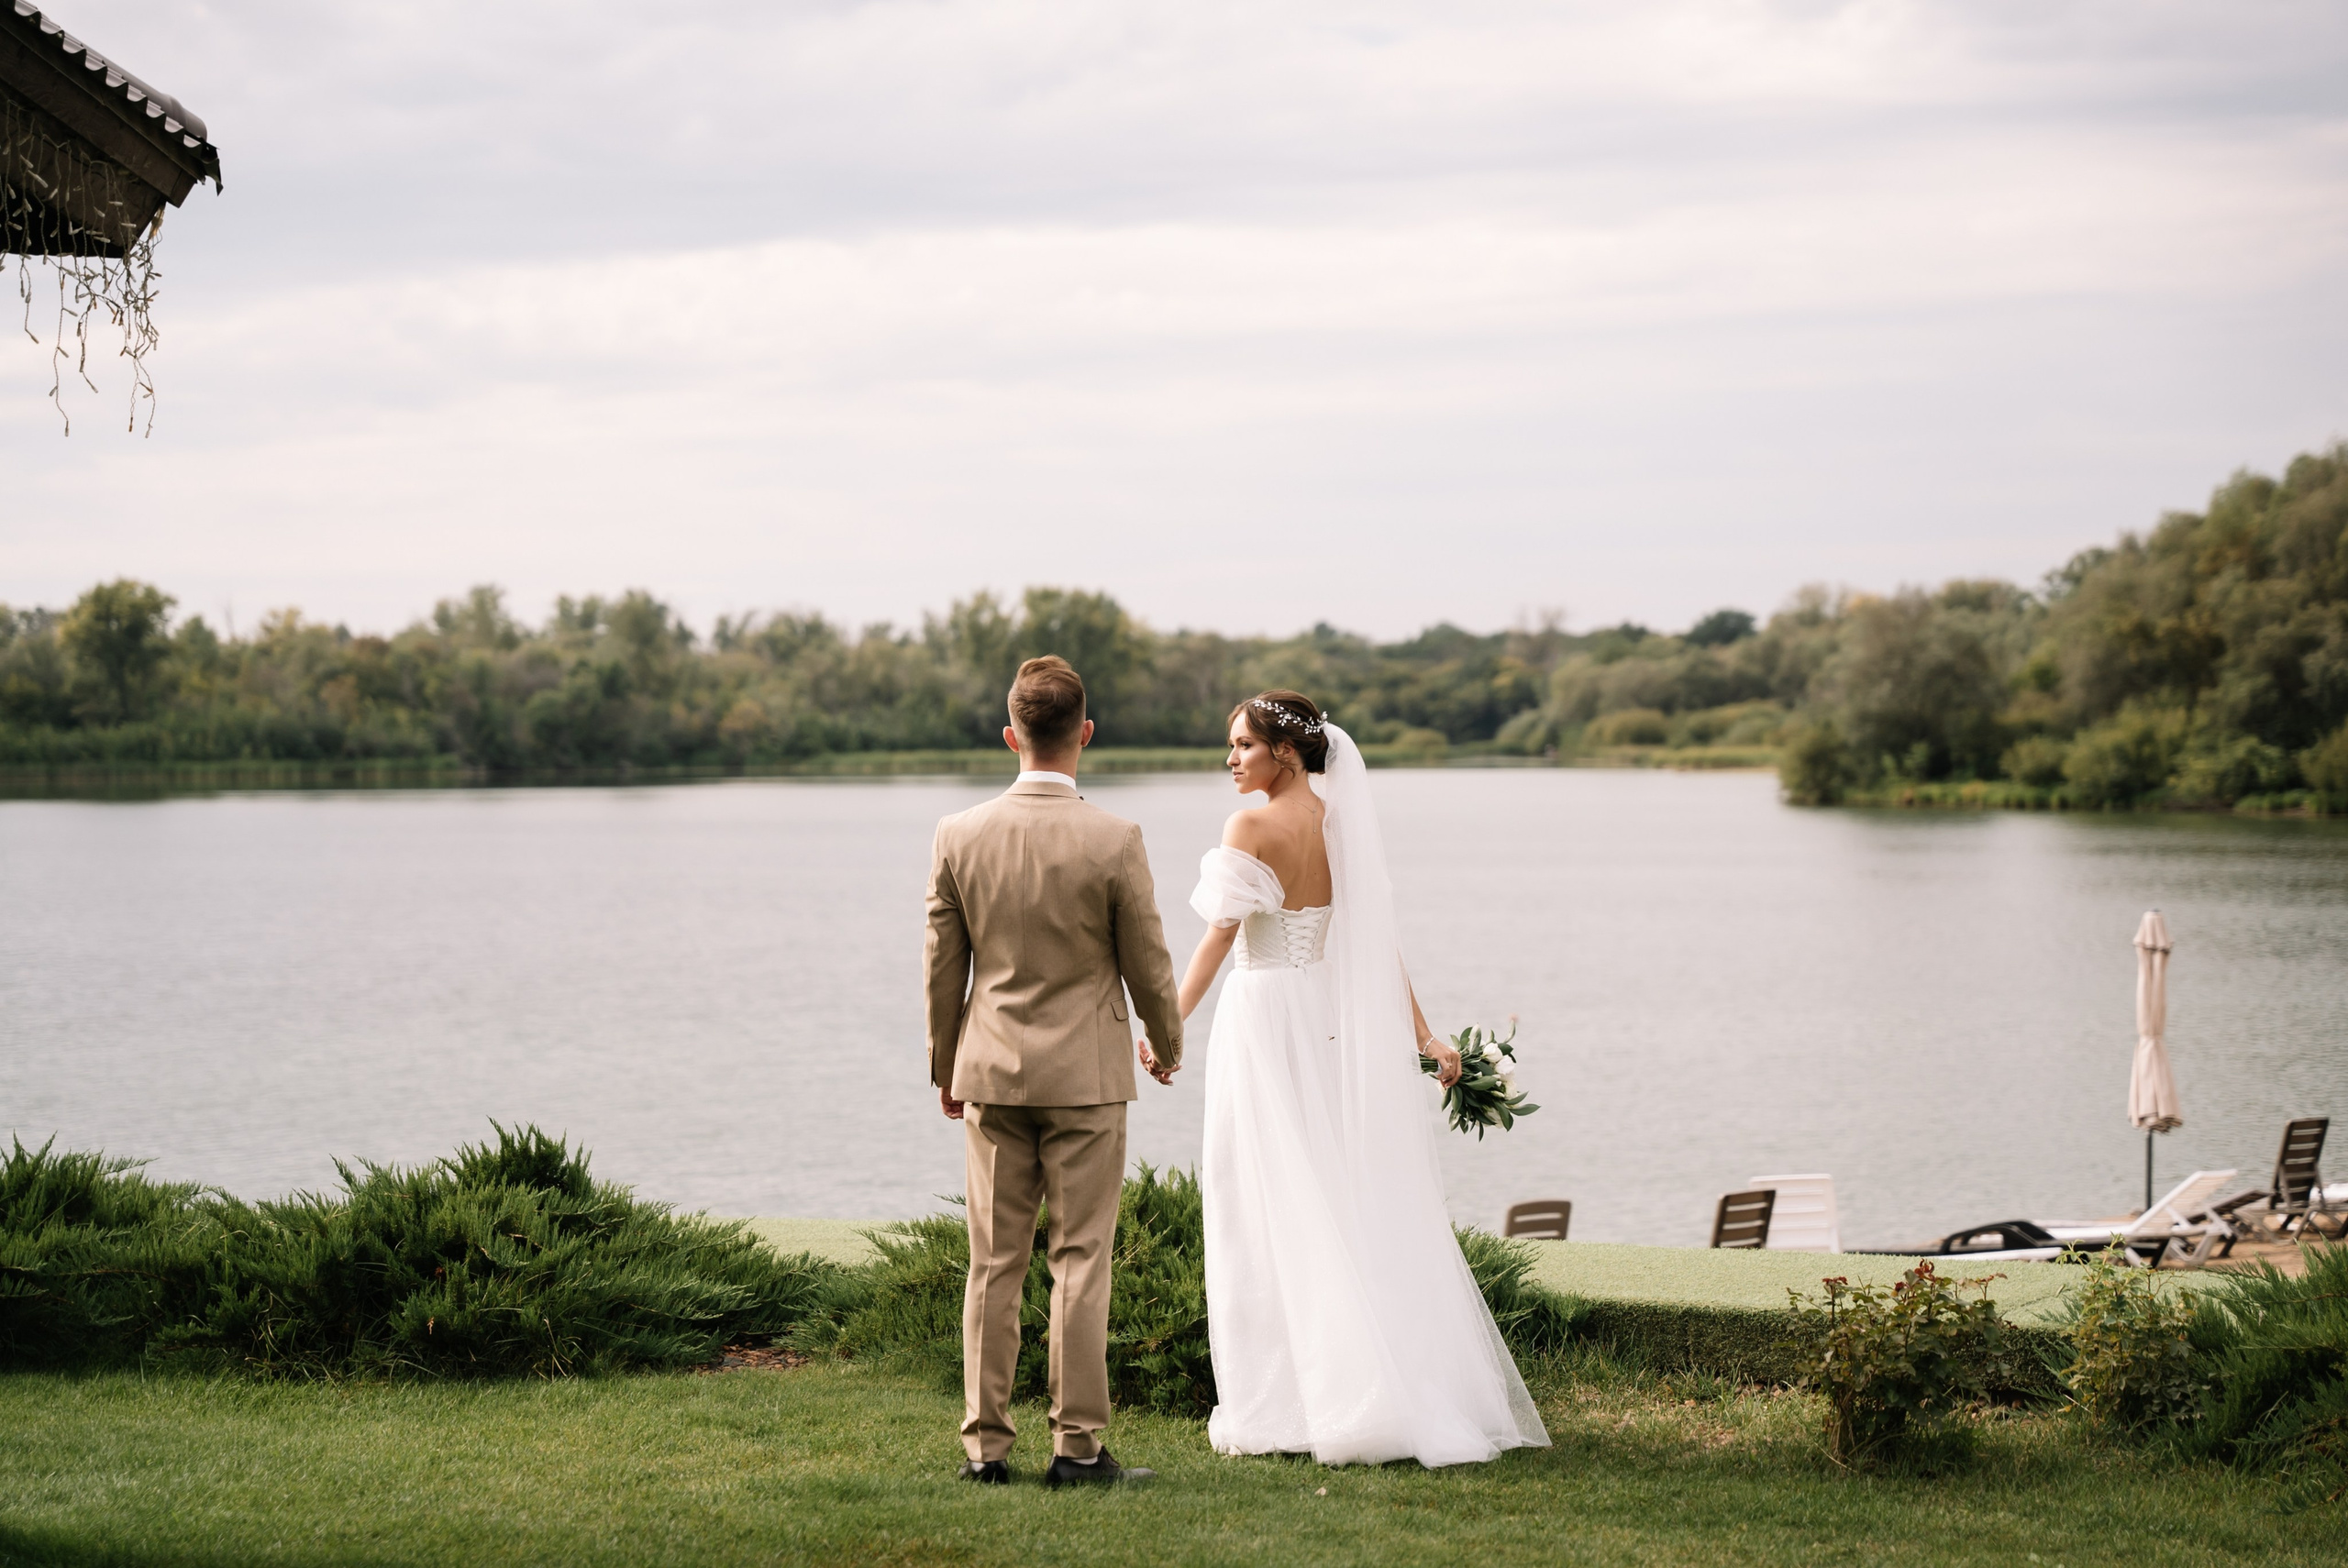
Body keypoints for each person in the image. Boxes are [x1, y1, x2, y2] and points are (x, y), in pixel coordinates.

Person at [1142, 690, 1551, 1467]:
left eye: (1241, 746)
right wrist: (1422, 1032)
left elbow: (1215, 944)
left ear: (1285, 752)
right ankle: (1362, 1386)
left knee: (1265, 1200)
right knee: (1335, 1192)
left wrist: (1168, 1031)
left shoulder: (1250, 826)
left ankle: (1294, 1400)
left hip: (1265, 1020)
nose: (1230, 760)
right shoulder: (1340, 823)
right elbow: (1373, 945)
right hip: (1327, 1020)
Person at [924, 655, 1185, 1487]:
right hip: (1089, 1077)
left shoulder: (958, 834)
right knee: (1081, 1261)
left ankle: (984, 1451)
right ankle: (1076, 1449)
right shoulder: (1115, 838)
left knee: (993, 1263)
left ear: (1010, 736)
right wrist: (1168, 1042)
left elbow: (942, 969)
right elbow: (1149, 961)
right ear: (1086, 734)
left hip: (991, 1071)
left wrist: (945, 1066)